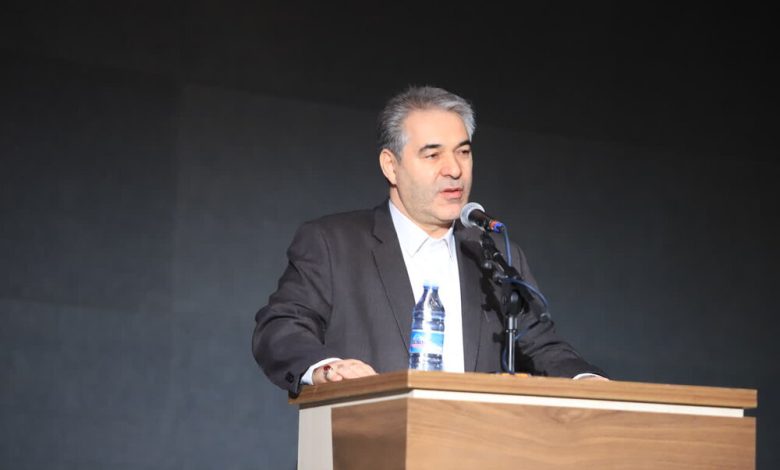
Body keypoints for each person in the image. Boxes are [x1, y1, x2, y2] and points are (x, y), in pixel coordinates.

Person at [252, 86, 605, 395]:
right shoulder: (334, 244)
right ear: (391, 166)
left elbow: (540, 344)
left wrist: (586, 380)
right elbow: (280, 328)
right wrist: (327, 369)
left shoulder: (493, 254)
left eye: (463, 152)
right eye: (433, 155)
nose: (454, 169)